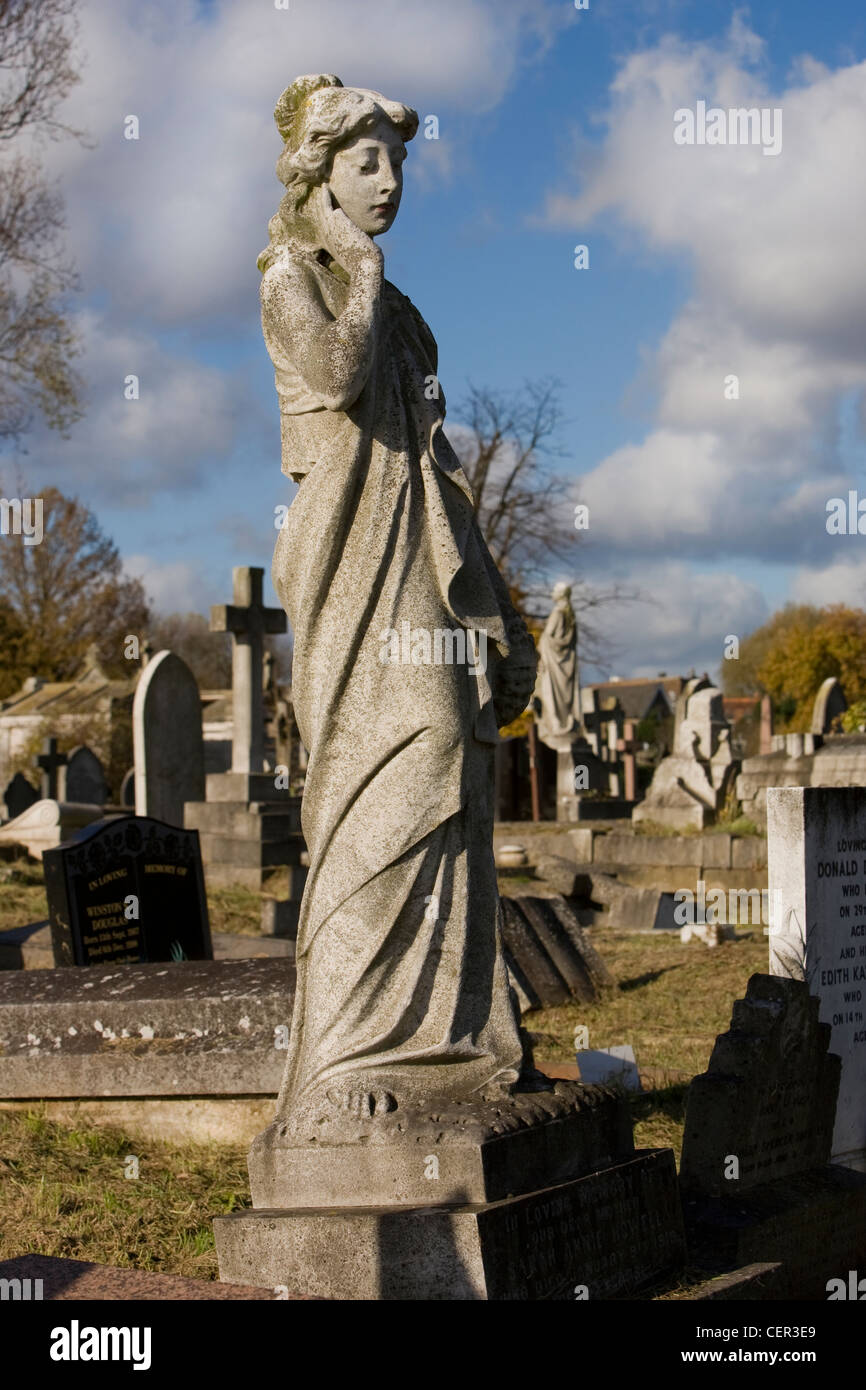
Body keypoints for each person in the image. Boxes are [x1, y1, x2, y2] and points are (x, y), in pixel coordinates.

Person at [259, 75, 537, 1136]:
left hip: (421, 546)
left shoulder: (407, 315)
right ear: (319, 172)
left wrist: (495, 605)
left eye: (396, 163)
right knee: (400, 755)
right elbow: (333, 374)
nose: (386, 181)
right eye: (364, 161)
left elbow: (438, 460)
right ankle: (342, 1057)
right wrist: (362, 274)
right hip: (347, 560)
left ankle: (447, 1042)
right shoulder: (294, 275)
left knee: (457, 765)